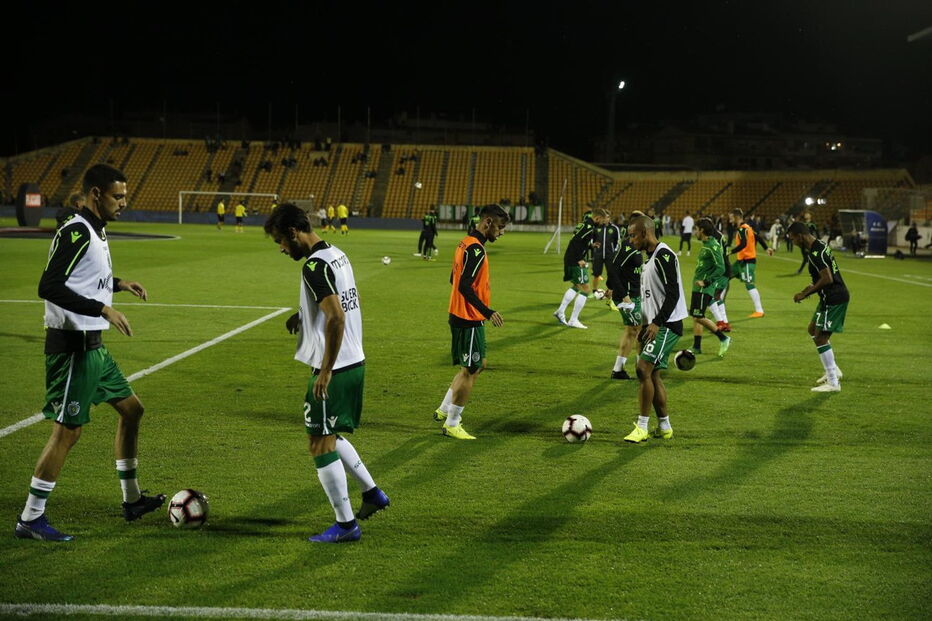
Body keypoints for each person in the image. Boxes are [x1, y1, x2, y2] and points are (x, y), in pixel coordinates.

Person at [16, 164, 164, 542]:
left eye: (126, 196)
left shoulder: (95, 230)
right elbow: (48, 285)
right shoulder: (77, 231)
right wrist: (104, 308)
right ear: (96, 194)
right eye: (118, 196)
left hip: (94, 349)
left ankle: (131, 500)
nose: (124, 203)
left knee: (132, 410)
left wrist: (117, 284)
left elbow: (84, 277)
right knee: (68, 432)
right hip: (72, 350)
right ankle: (31, 518)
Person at [264, 203, 390, 543]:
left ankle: (346, 525)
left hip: (335, 367)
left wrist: (325, 371)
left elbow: (336, 316)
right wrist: (304, 315)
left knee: (319, 444)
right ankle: (372, 493)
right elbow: (342, 300)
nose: (281, 248)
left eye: (281, 240)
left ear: (293, 233)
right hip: (355, 360)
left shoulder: (313, 266)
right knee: (330, 434)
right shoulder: (337, 254)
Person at [432, 204, 510, 440]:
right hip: (469, 318)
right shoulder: (476, 250)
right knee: (472, 368)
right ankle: (452, 423)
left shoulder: (464, 242)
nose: (502, 233)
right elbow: (464, 285)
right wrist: (487, 311)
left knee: (476, 365)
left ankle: (444, 409)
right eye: (500, 227)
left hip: (459, 313)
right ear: (487, 222)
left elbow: (452, 279)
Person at [623, 215, 688, 444]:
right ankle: (664, 426)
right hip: (653, 324)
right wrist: (643, 323)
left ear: (644, 233)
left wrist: (656, 322)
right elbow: (651, 296)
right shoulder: (649, 257)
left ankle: (642, 427)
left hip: (667, 324)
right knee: (653, 374)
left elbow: (673, 293)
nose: (630, 240)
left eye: (632, 235)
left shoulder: (664, 255)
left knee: (642, 370)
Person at [787, 221, 850, 393]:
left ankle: (833, 382)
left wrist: (805, 294)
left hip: (834, 298)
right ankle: (834, 369)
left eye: (792, 238)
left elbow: (827, 278)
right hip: (826, 298)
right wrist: (807, 289)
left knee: (821, 337)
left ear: (800, 236)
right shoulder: (820, 245)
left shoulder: (816, 252)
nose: (792, 242)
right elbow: (821, 277)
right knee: (812, 329)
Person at [553, 208, 608, 329]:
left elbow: (580, 241)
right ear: (597, 218)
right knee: (586, 290)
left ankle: (560, 311)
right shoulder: (588, 227)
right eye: (602, 221)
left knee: (577, 286)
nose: (603, 223)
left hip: (570, 258)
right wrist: (579, 259)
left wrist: (590, 245)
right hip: (575, 260)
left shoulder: (584, 225)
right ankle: (573, 320)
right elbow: (576, 242)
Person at [604, 229, 642, 380]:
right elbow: (613, 270)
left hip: (634, 295)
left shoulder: (633, 247)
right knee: (640, 332)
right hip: (629, 298)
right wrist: (624, 296)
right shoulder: (628, 247)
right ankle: (642, 369)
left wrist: (611, 286)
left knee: (632, 331)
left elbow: (617, 269)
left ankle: (619, 369)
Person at [689, 220, 732, 356]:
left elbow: (721, 267)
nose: (695, 232)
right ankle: (696, 347)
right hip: (698, 287)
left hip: (704, 288)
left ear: (702, 230)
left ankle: (724, 338)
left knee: (698, 316)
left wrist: (707, 282)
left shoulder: (712, 246)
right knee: (696, 317)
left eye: (696, 229)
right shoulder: (706, 244)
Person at [729, 208, 773, 318]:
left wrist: (730, 251)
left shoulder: (742, 229)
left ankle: (759, 310)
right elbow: (758, 236)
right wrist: (766, 248)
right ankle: (718, 303)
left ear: (737, 217)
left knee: (749, 284)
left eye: (731, 217)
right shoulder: (747, 228)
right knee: (725, 276)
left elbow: (743, 244)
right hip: (740, 262)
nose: (729, 219)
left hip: (747, 261)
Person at [698, 217, 732, 332]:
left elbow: (718, 256)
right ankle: (725, 323)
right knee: (716, 296)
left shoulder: (714, 238)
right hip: (725, 270)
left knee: (709, 296)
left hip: (720, 271)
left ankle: (720, 322)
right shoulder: (719, 234)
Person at [591, 209, 620, 294]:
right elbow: (591, 240)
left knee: (611, 274)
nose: (605, 219)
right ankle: (594, 291)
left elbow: (618, 242)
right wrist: (594, 246)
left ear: (609, 218)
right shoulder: (596, 228)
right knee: (596, 274)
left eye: (607, 217)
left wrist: (614, 252)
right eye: (603, 217)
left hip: (609, 255)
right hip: (598, 255)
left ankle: (610, 291)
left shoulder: (614, 228)